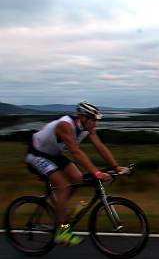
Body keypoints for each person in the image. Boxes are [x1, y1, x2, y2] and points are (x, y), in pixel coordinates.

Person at [25, 102, 126, 246]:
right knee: (64, 186)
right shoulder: (65, 125)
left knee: (79, 179)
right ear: (83, 117)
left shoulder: (87, 128)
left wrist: (115, 167)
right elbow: (76, 152)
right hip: (37, 154)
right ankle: (63, 231)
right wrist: (97, 172)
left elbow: (99, 146)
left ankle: (62, 210)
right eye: (93, 120)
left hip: (53, 154)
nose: (95, 124)